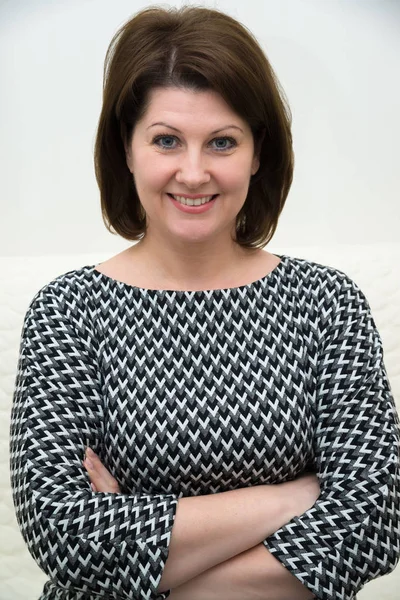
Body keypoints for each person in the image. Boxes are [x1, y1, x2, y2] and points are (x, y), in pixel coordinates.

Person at [9, 5, 400, 600]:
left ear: (258, 152)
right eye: (167, 140)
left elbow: (374, 520)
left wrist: (145, 571)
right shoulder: (68, 311)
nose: (193, 173)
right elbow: (67, 539)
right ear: (126, 149)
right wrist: (293, 497)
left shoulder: (326, 302)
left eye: (221, 142)